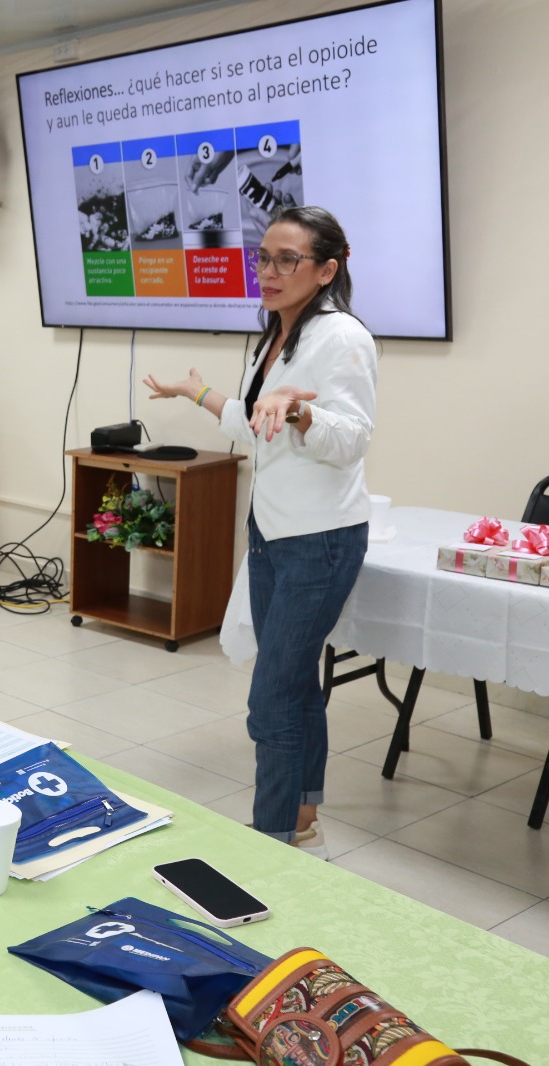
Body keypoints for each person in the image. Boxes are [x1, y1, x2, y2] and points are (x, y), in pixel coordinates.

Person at [143, 206, 375, 859]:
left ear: (327, 269)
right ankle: (302, 815)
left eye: (286, 260)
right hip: (272, 531)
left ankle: (270, 840)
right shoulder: (277, 334)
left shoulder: (343, 339)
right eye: (263, 257)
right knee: (296, 683)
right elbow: (257, 428)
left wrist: (301, 409)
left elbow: (350, 439)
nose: (267, 272)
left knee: (271, 696)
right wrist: (201, 394)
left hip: (319, 538)